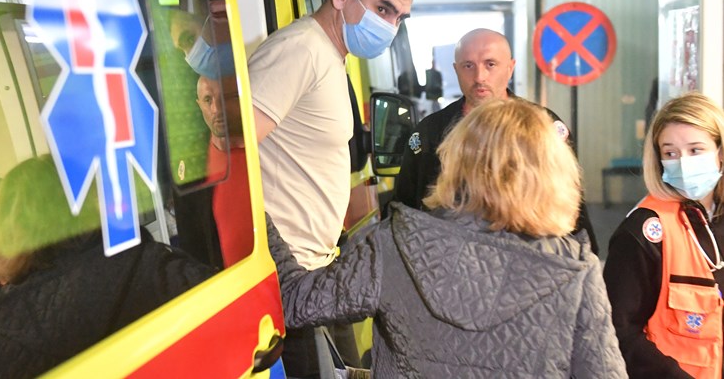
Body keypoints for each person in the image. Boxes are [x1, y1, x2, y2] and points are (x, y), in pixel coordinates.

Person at [268, 98, 626, 378]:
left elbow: (298, 302)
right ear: (554, 172)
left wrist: (258, 212)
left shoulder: (395, 244)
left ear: (455, 160)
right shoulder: (576, 270)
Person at [248, 0, 413, 270]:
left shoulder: (331, 56)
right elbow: (236, 148)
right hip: (283, 265)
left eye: (399, 19)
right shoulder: (301, 48)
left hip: (308, 263)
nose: (390, 27)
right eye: (383, 9)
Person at [0, 156, 215, 378]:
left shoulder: (4, 330)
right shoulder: (148, 266)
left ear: (8, 232)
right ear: (87, 201)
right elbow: (232, 315)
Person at [393, 28, 599, 253]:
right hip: (447, 260)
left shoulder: (543, 126)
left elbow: (570, 203)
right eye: (468, 66)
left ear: (510, 68)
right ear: (456, 70)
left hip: (531, 259)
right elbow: (406, 208)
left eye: (490, 64)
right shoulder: (430, 131)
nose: (480, 77)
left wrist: (582, 258)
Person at [603, 91, 724, 379]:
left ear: (720, 153)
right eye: (671, 153)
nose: (682, 163)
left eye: (695, 150)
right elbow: (618, 331)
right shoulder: (642, 231)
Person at [195, 75, 253, 266]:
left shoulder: (268, 145)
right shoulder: (193, 170)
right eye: (208, 100)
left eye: (226, 97)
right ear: (199, 105)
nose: (216, 109)